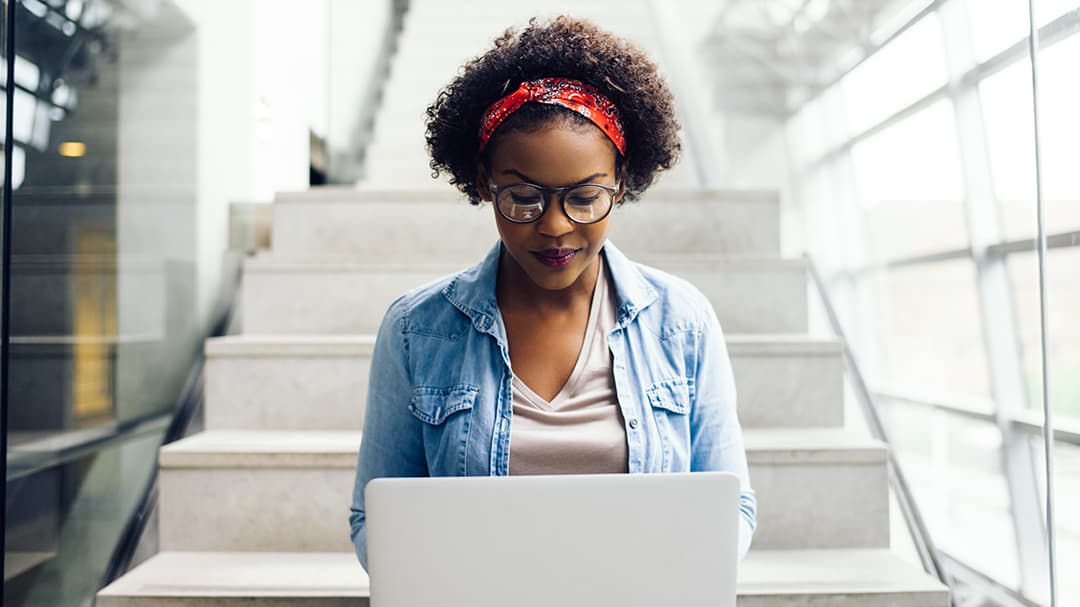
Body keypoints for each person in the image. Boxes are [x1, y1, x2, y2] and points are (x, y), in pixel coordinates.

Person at [349, 15, 755, 570]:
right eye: (523, 196)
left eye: (586, 197)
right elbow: (376, 518)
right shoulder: (416, 329)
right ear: (484, 181)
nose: (556, 226)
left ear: (621, 181)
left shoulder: (681, 321)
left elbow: (733, 507)